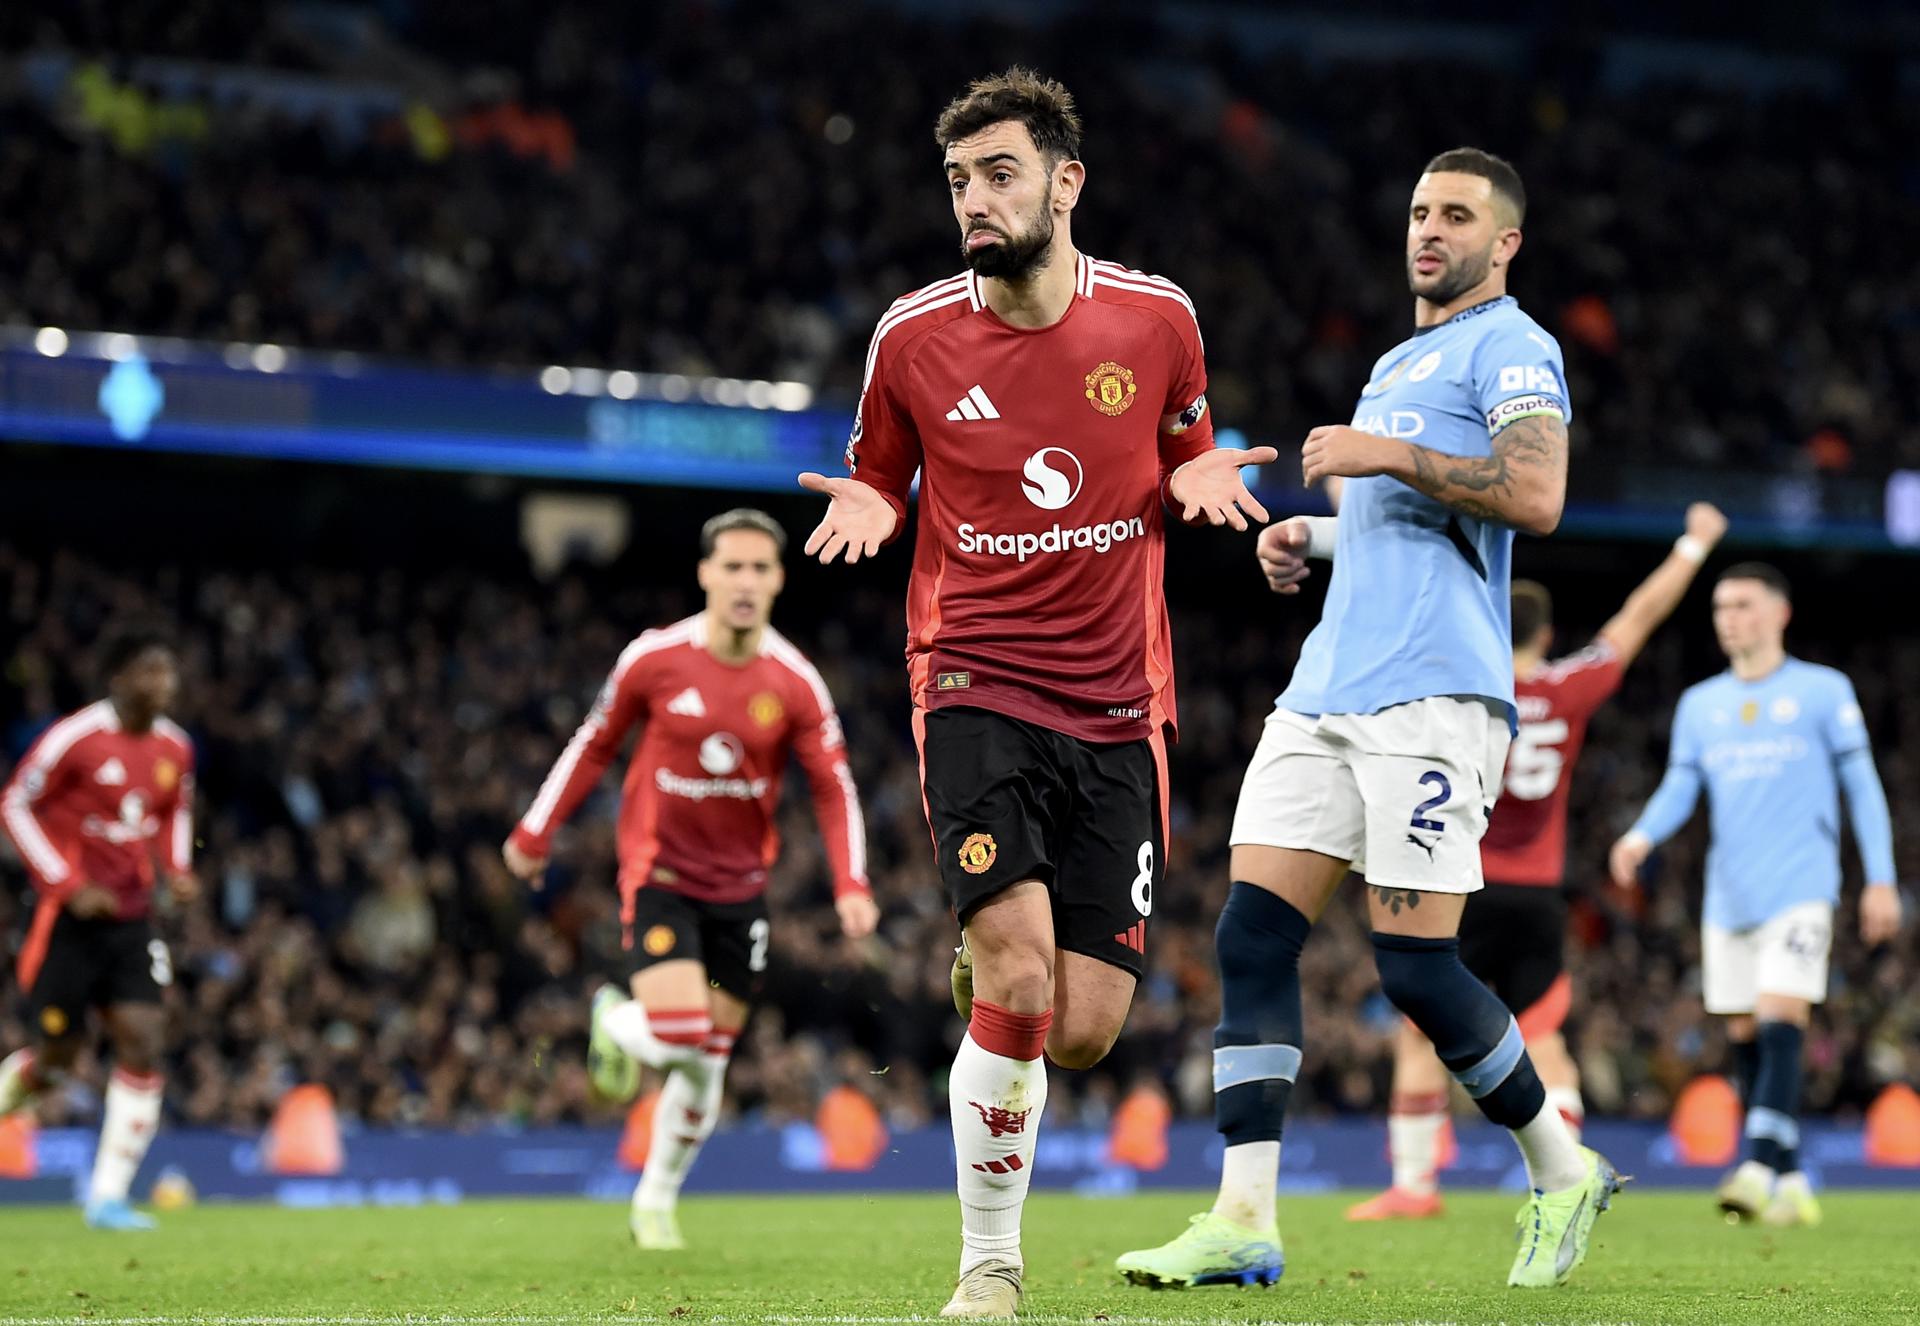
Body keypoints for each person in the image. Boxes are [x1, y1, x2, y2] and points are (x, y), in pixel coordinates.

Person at [799, 68, 1272, 1319]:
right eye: (958, 179)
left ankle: (999, 977)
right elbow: (877, 472)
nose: (974, 199)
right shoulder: (911, 336)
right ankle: (989, 1268)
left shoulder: (1157, 320)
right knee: (1017, 982)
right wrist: (867, 497)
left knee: (1085, 1029)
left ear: (1066, 182)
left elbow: (1183, 439)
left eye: (998, 173)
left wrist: (1197, 475)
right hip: (973, 679)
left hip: (1123, 706)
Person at [1117, 146, 1619, 1293]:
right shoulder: (1398, 359)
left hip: (1435, 698)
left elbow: (1533, 497)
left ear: (1506, 244)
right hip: (1326, 688)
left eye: (1456, 215)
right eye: (1418, 211)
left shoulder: (1514, 346)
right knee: (1250, 936)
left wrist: (1382, 451)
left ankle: (1559, 1167)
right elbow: (1408, 528)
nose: (1428, 230)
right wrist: (1317, 537)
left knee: (1415, 968)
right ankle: (1244, 1215)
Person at [503, 508, 875, 1250]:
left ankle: (655, 1199)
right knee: (680, 1034)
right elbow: (594, 743)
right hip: (661, 872)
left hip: (742, 889)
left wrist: (852, 883)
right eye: (730, 566)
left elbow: (833, 788)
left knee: (706, 1066)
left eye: (759, 569)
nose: (744, 582)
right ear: (705, 573)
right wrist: (535, 829)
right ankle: (615, 1018)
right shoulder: (655, 658)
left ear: (778, 579)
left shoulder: (795, 681)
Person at [1349, 502, 1729, 1220]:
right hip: (1538, 892)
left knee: (1420, 1029)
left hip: (1459, 884)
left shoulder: (1462, 682)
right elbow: (1638, 617)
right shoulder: (1569, 686)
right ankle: (1564, 1177)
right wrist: (1692, 544)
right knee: (1545, 1034)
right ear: (1548, 635)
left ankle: (1413, 1185)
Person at [1610, 562, 1900, 1227]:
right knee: (1745, 1030)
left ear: (1779, 613)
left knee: (1779, 1013)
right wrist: (1641, 836)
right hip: (1729, 894)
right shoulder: (1700, 704)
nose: (1728, 618)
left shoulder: (1824, 692)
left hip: (1801, 886)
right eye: (1719, 607)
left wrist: (1880, 877)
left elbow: (1863, 789)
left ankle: (1758, 1164)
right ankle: (1793, 1178)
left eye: (1742, 604)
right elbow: (1682, 786)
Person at [0, 626, 196, 1231]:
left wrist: (179, 869)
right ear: (119, 679)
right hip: (67, 921)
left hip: (132, 919)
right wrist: (64, 881)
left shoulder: (176, 747)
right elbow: (14, 804)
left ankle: (106, 1197)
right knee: (59, 1056)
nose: (164, 684)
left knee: (143, 1035)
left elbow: (173, 812)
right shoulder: (73, 739)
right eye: (150, 671)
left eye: (168, 671)